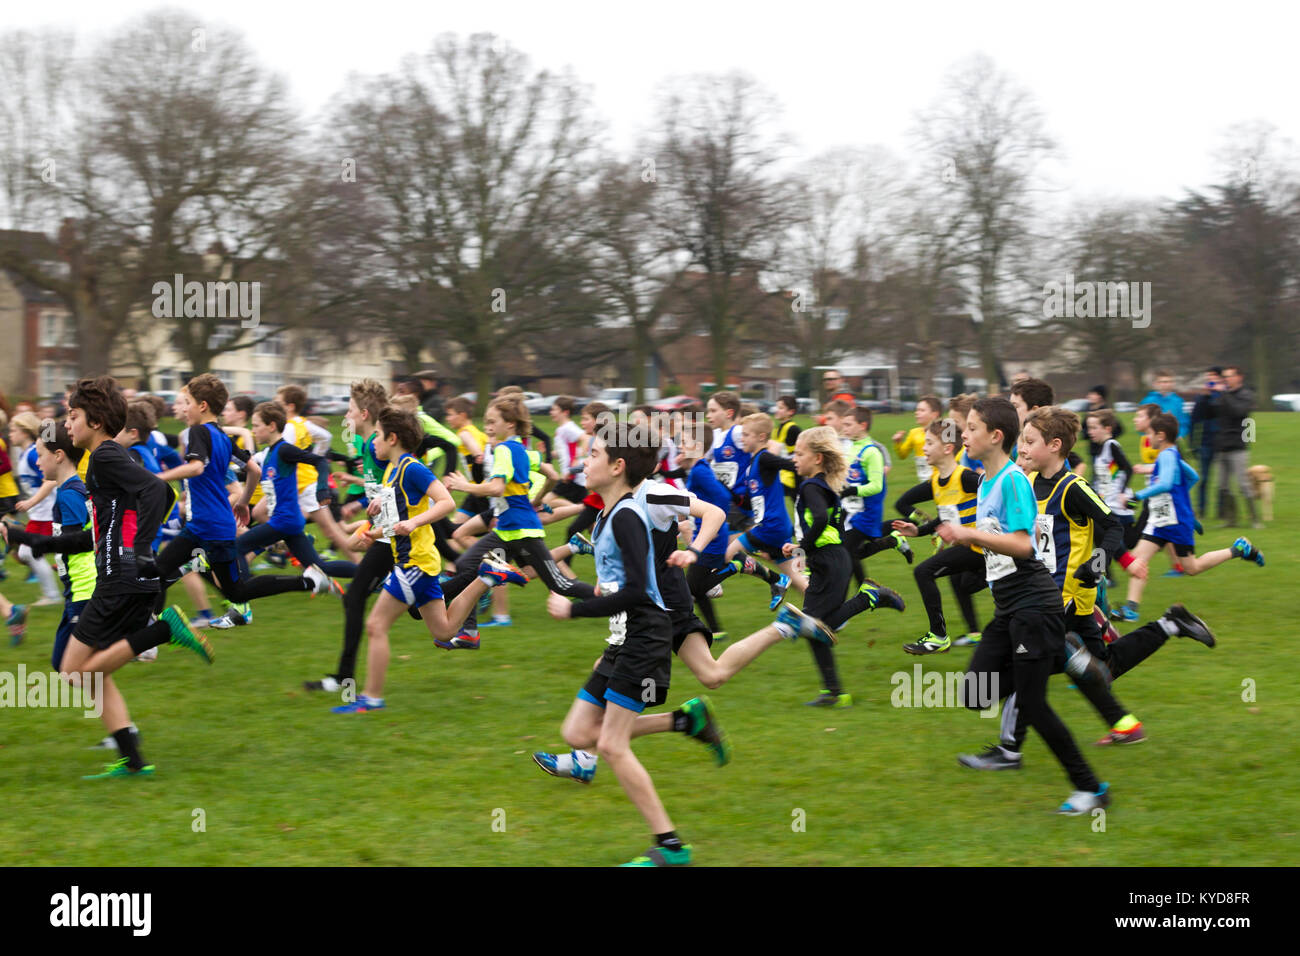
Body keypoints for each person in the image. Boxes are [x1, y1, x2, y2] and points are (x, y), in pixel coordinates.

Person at [1, 376, 214, 779]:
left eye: (73, 416)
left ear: (95, 421)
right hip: (127, 578)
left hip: (120, 579)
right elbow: (92, 535)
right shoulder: (102, 462)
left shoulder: (103, 456)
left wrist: (140, 548)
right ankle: (133, 760)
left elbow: (159, 492)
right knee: (88, 673)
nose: (66, 425)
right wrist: (27, 537)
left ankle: (163, 631)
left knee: (72, 671)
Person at [541, 429, 729, 867]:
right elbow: (615, 586)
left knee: (611, 745)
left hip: (645, 636)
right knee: (577, 733)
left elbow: (639, 593)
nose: (583, 463)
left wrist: (575, 608)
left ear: (617, 467)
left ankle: (671, 848)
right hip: (624, 636)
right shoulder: (608, 515)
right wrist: (571, 585)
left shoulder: (626, 516)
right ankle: (685, 721)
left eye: (592, 455)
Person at [940, 396, 1109, 815]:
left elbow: (1020, 544)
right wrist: (947, 539)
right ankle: (1062, 654)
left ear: (995, 437)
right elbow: (989, 545)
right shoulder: (984, 482)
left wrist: (968, 536)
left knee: (1034, 704)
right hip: (1009, 607)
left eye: (972, 428)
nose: (964, 433)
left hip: (1033, 603)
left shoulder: (1014, 479)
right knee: (975, 694)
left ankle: (1090, 789)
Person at [331, 407, 523, 713]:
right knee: (445, 632)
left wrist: (415, 524)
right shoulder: (392, 471)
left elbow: (445, 502)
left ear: (392, 438)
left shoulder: (412, 468)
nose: (374, 442)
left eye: (378, 435)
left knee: (375, 625)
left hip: (414, 563)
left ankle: (370, 699)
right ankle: (486, 576)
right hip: (418, 561)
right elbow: (401, 518)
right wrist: (375, 531)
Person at [1113, 412, 1264, 621]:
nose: (1150, 440)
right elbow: (1193, 476)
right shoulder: (1172, 454)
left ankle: (1238, 549)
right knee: (1137, 561)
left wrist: (1136, 497)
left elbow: (1165, 484)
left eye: (1153, 435)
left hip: (1174, 523)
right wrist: (1182, 502)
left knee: (1192, 568)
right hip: (1162, 521)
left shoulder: (1166, 456)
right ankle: (1131, 610)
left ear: (1162, 435)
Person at [891, 419, 985, 653]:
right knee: (963, 582)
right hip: (970, 551)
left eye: (930, 442)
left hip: (984, 548)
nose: (923, 447)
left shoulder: (966, 477)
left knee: (923, 571)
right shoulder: (935, 482)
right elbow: (946, 518)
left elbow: (998, 494)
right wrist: (919, 530)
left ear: (947, 448)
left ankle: (938, 636)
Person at [1209, 365, 1259, 528]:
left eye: (1230, 376)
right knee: (1223, 486)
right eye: (1225, 377)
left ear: (1239, 377)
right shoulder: (1224, 395)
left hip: (1238, 445)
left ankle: (1255, 519)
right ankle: (1231, 520)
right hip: (1222, 445)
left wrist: (1223, 393)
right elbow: (1210, 412)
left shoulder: (1246, 395)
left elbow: (1238, 411)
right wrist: (1205, 397)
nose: (1227, 379)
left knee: (1243, 484)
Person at [1188, 367, 1222, 517]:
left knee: (1223, 481)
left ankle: (1222, 511)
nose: (1210, 380)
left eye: (1213, 377)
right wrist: (1193, 444)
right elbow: (1194, 421)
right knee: (1204, 478)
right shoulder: (1202, 398)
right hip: (1206, 442)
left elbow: (1246, 419)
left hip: (1223, 443)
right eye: (1209, 377)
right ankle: (1201, 510)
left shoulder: (1227, 395)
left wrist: (1247, 440)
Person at [892, 395, 944, 483]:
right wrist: (898, 442)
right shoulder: (914, 433)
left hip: (940, 479)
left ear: (935, 414)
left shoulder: (944, 432)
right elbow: (902, 455)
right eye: (917, 410)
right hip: (923, 480)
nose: (917, 413)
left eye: (922, 410)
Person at [1138, 369, 1189, 444]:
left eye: (1168, 382)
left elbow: (1184, 422)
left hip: (1172, 441)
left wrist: (1179, 435)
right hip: (1151, 441)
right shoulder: (1147, 401)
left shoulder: (1179, 401)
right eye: (1161, 382)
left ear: (1172, 383)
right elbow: (1141, 421)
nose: (1164, 384)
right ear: (1156, 384)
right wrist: (1147, 436)